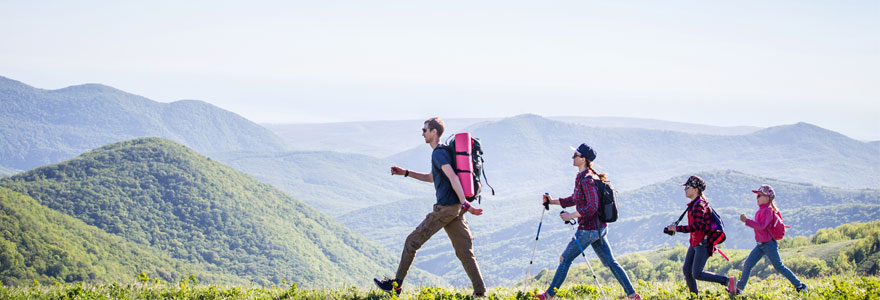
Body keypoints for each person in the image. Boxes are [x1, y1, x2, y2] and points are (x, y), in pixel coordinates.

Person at [373, 117, 487, 297]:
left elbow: (453, 178)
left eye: (425, 130)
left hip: (446, 209)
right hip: (455, 209)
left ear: (434, 132)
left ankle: (396, 286)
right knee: (465, 252)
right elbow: (431, 177)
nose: (422, 133)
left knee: (412, 242)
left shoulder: (438, 153)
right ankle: (480, 293)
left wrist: (466, 204)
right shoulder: (443, 152)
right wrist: (406, 173)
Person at [535, 143, 641, 300]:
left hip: (588, 230)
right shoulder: (585, 176)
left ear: (583, 159)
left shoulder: (586, 179)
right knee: (611, 262)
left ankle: (549, 295)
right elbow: (575, 198)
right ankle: (633, 295)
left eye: (576, 155)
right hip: (599, 228)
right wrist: (552, 201)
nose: (573, 157)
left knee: (565, 259)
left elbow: (592, 206)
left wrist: (571, 216)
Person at [665, 175, 737, 295]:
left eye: (687, 187)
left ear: (695, 189)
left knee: (697, 273)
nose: (685, 189)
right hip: (696, 242)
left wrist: (677, 229)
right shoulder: (695, 204)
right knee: (687, 270)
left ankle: (728, 281)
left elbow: (698, 226)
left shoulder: (699, 205)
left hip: (702, 243)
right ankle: (694, 295)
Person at [732, 184, 808, 295]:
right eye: (757, 196)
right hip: (760, 245)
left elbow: (761, 226)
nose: (756, 198)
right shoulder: (761, 210)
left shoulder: (768, 211)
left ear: (767, 198)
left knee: (779, 266)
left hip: (768, 245)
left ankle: (800, 285)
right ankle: (739, 289)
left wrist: (746, 221)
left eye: (759, 195)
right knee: (747, 264)